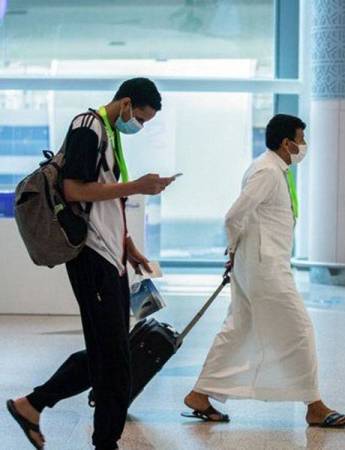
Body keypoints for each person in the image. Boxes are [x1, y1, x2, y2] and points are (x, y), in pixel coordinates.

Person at [7, 78, 174, 450]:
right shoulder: (88, 127)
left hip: (111, 258)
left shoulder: (108, 135)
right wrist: (137, 187)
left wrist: (128, 245)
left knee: (110, 352)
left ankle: (31, 405)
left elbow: (100, 203)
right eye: (141, 119)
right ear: (127, 103)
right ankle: (104, 442)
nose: (139, 127)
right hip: (91, 259)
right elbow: (74, 190)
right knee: (115, 359)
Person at [183, 114, 345, 428]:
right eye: (301, 139)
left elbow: (249, 217)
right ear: (286, 142)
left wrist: (237, 252)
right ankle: (314, 405)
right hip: (266, 267)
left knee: (238, 328)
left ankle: (200, 393)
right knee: (300, 329)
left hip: (260, 263)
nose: (304, 146)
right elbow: (234, 215)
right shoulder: (267, 171)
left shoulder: (274, 170)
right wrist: (234, 248)